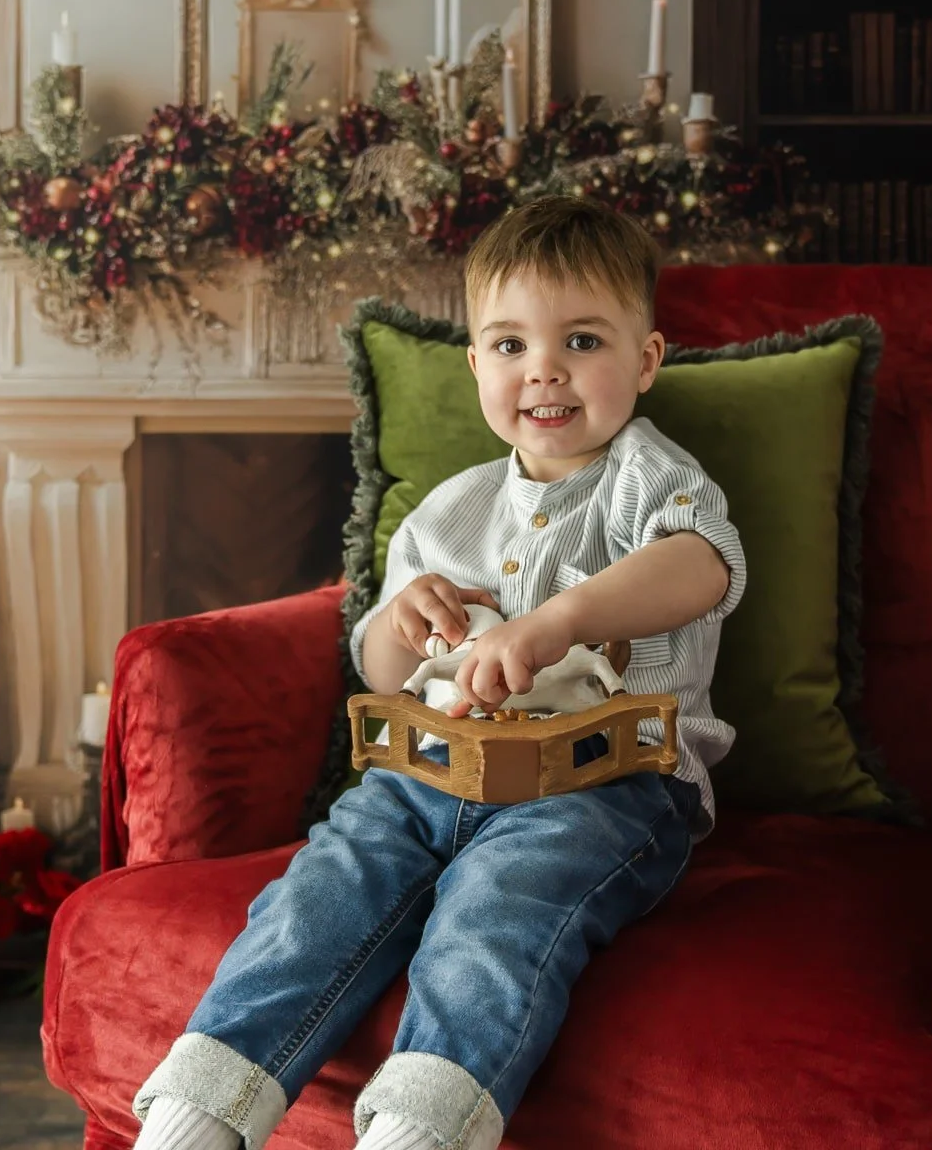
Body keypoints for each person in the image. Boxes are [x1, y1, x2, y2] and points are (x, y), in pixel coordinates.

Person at [133, 196, 746, 1150]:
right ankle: (200, 1110)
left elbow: (702, 567)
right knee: (320, 891)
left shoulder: (650, 478)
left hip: (601, 785)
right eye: (509, 345)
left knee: (497, 911)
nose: (542, 368)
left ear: (647, 361)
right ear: (475, 367)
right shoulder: (450, 511)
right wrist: (402, 621)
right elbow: (376, 664)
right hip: (427, 773)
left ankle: (420, 1129)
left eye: (581, 340)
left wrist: (561, 620)